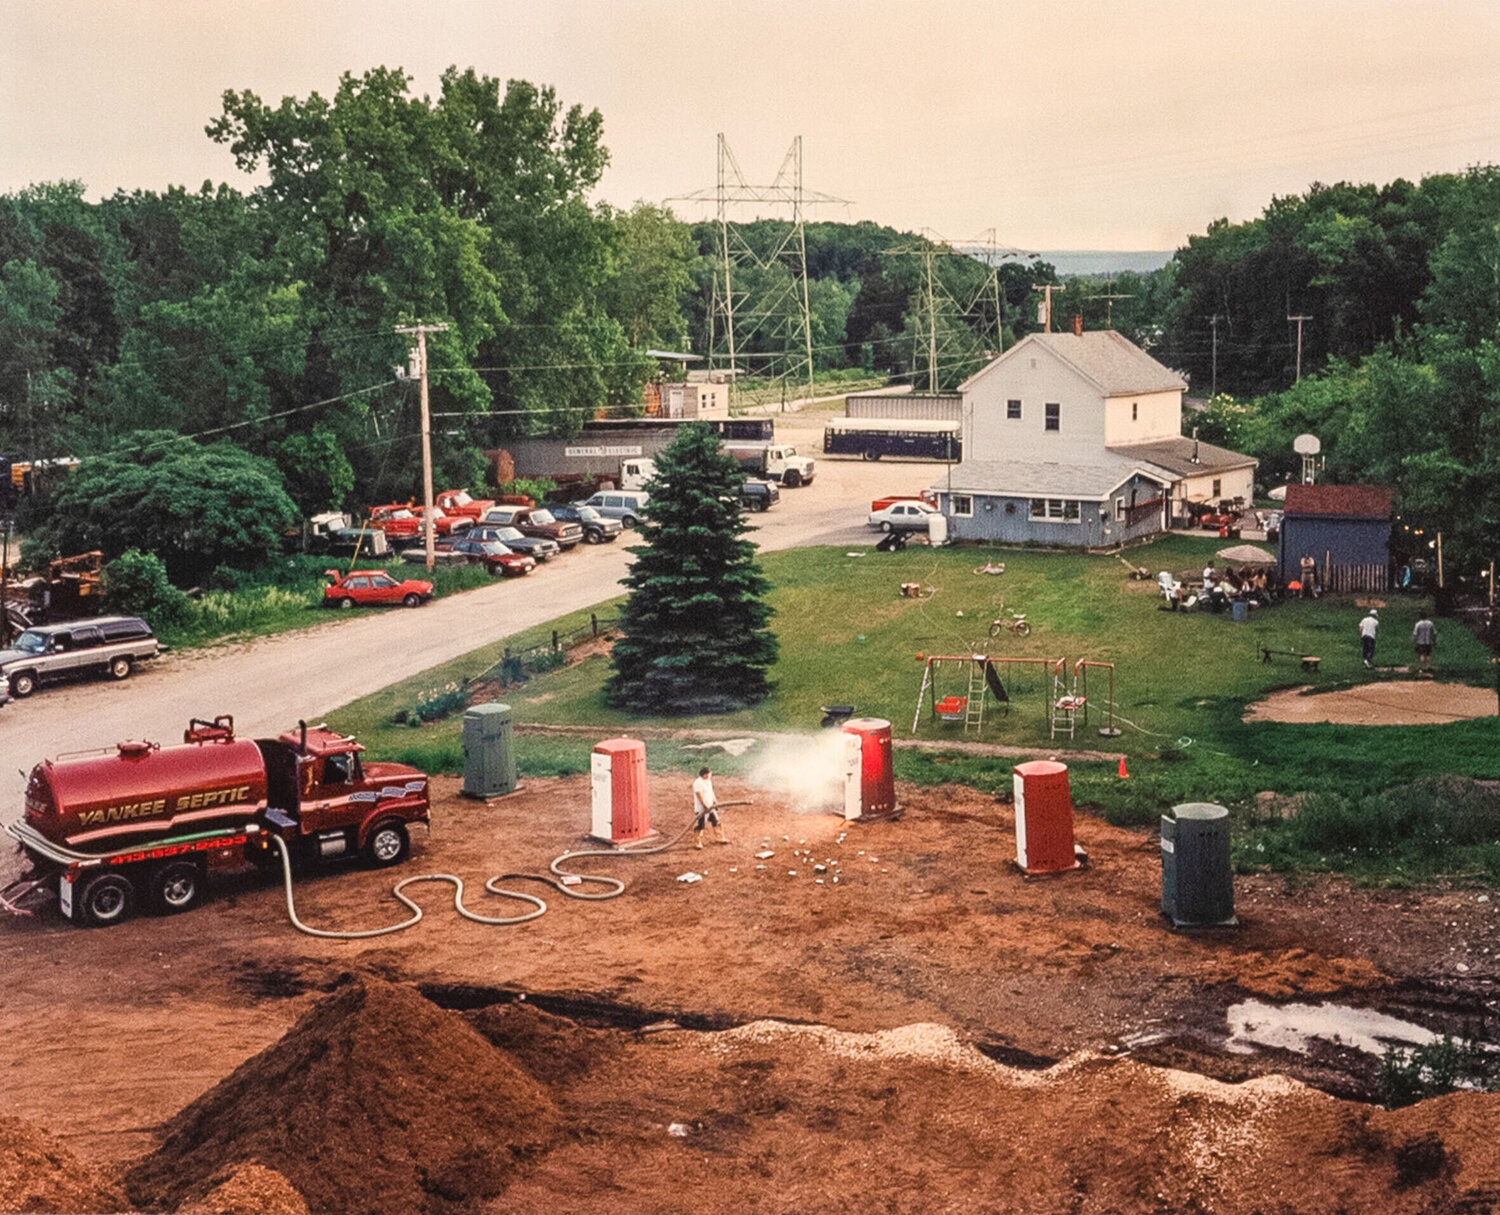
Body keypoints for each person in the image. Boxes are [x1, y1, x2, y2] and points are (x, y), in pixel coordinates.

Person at [692, 766, 726, 848]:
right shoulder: (697, 783)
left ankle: (720, 838)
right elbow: (699, 796)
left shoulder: (708, 781)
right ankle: (698, 843)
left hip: (710, 806)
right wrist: (705, 806)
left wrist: (715, 801)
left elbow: (711, 792)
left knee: (716, 821)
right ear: (704, 775)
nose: (710, 775)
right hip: (701, 808)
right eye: (709, 774)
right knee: (701, 825)